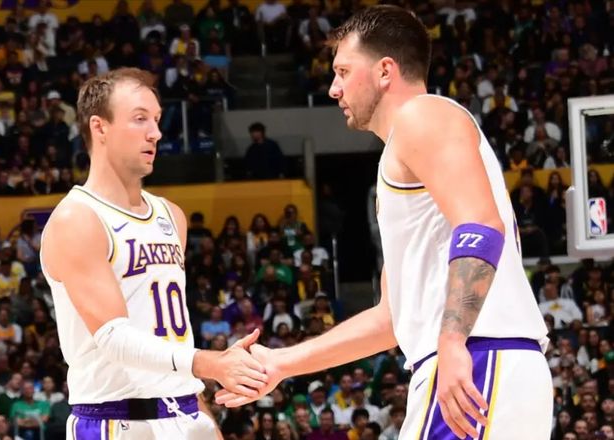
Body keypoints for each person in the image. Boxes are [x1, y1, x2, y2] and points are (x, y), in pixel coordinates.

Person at [216, 6, 552, 440]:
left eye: (343, 71)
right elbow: (390, 320)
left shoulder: (422, 115)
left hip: (478, 354)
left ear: (385, 70)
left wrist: (452, 341)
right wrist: (282, 363)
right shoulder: (407, 154)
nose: (334, 88)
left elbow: (481, 226)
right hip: (480, 358)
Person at [40, 68, 267, 439]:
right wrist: (209, 363)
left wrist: (203, 416)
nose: (156, 133)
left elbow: (173, 337)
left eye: (157, 120)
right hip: (116, 419)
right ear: (99, 127)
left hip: (186, 412)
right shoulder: (78, 219)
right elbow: (114, 337)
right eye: (139, 118)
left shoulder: (171, 216)